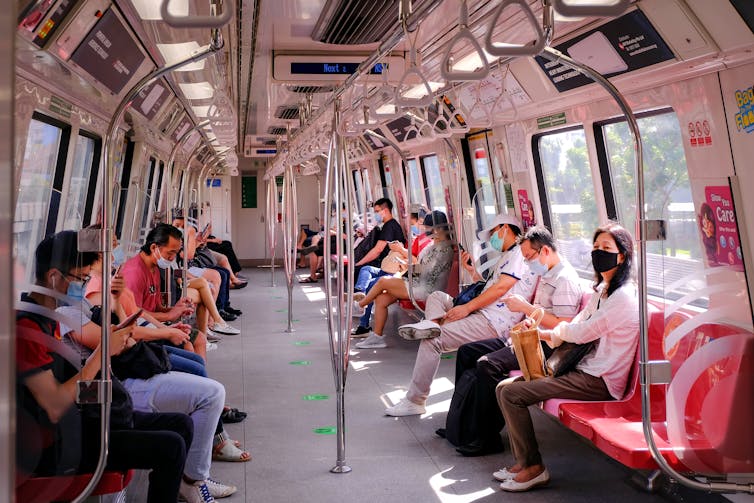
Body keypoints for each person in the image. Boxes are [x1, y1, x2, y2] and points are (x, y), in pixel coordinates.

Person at [15, 230, 192, 503]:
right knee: (171, 446)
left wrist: (107, 390)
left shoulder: (47, 321)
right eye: (80, 279)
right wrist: (103, 352)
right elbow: (53, 405)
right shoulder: (27, 330)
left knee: (181, 425)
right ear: (53, 277)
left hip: (75, 423)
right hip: (53, 445)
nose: (83, 286)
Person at [494, 223, 639, 492]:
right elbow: (574, 328)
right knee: (504, 388)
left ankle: (534, 468)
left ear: (622, 255)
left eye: (606, 248)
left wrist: (546, 333)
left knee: (513, 394)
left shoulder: (624, 297)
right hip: (583, 370)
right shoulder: (602, 291)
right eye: (595, 247)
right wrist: (541, 334)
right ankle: (524, 461)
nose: (598, 254)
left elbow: (582, 332)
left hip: (600, 380)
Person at [447, 227, 582, 456]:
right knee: (467, 352)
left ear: (545, 250)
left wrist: (526, 308)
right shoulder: (546, 274)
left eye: (529, 257)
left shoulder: (565, 280)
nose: (528, 263)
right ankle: (462, 421)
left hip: (544, 346)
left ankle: (487, 437)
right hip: (527, 336)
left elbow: (562, 326)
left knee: (487, 365)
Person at [385, 214, 536, 416]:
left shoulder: (518, 254)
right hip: (483, 311)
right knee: (437, 297)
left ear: (505, 229)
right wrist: (472, 272)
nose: (492, 238)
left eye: (493, 233)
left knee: (432, 340)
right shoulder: (507, 256)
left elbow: (501, 289)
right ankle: (432, 324)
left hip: (493, 321)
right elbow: (489, 288)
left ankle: (415, 400)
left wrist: (466, 308)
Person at [353, 211, 454, 349]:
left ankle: (360, 306)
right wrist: (408, 266)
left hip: (426, 288)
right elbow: (423, 268)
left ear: (436, 229)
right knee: (382, 299)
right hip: (419, 282)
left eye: (427, 228)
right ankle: (377, 337)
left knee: (383, 281)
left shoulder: (443, 249)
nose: (425, 231)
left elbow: (429, 274)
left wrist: (410, 268)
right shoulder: (432, 246)